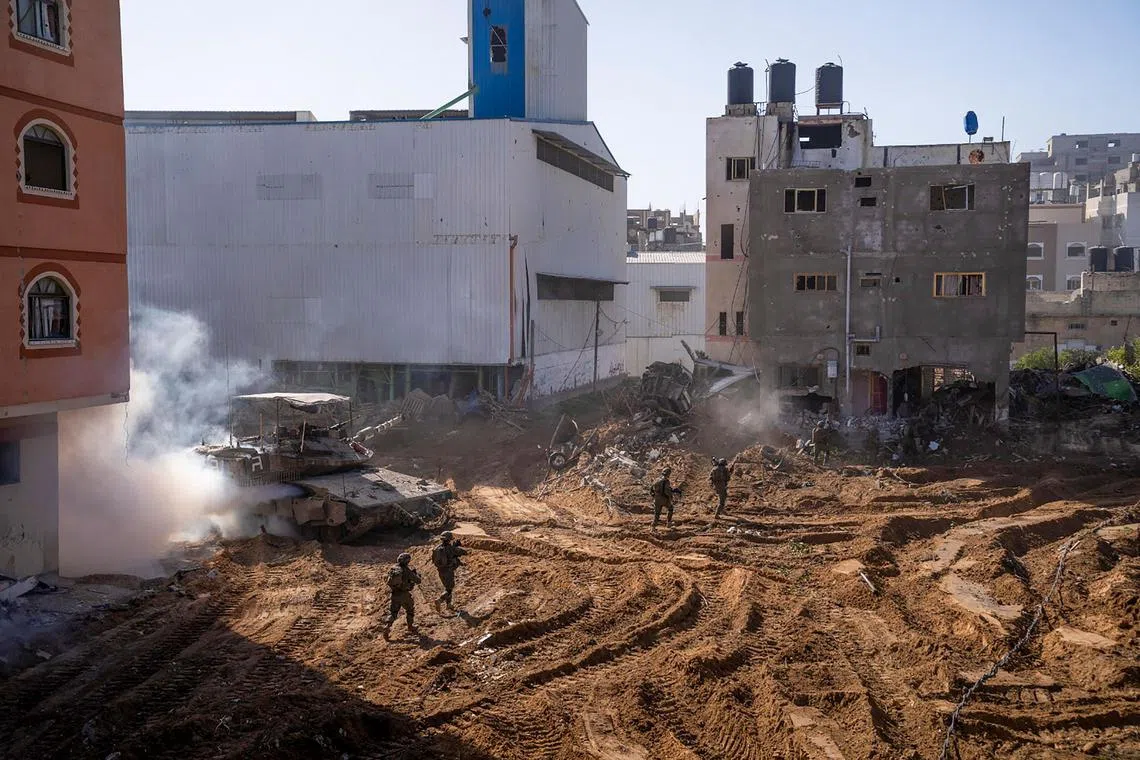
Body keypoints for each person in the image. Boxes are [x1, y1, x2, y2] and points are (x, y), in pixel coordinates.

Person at [382, 552, 421, 638]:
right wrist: (416, 575)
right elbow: (418, 581)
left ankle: (387, 626)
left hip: (394, 594)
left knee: (393, 613)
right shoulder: (406, 570)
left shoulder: (393, 568)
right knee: (410, 609)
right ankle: (410, 627)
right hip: (404, 595)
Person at [431, 531, 467, 610]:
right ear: (449, 539)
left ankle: (449, 604)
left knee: (447, 588)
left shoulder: (437, 548)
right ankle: (440, 600)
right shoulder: (450, 548)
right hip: (448, 571)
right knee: (449, 589)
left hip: (440, 571)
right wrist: (456, 546)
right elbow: (464, 552)